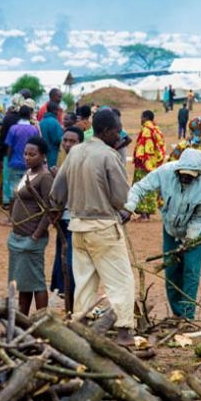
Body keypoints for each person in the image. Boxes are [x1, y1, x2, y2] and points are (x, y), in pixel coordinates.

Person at [50, 109, 135, 344]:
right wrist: (125, 210)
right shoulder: (109, 156)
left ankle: (82, 326)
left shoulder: (75, 152)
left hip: (77, 227)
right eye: (117, 131)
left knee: (85, 280)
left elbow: (57, 193)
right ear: (106, 131)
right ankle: (124, 331)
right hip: (103, 227)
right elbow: (121, 198)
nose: (119, 136)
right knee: (120, 281)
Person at [126, 148, 201, 319]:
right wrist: (129, 207)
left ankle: (188, 315)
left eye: (191, 176)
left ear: (199, 174)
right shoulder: (165, 172)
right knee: (171, 269)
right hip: (171, 229)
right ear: (178, 169)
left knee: (190, 270)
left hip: (196, 229)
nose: (186, 178)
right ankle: (177, 313)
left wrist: (190, 238)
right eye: (183, 174)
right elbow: (140, 188)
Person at [8, 137, 54, 314]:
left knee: (36, 282)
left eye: (32, 154)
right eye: (26, 153)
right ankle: (23, 320)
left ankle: (42, 320)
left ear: (43, 156)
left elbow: (49, 209)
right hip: (19, 238)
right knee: (23, 282)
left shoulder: (45, 177)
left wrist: (36, 236)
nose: (27, 157)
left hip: (31, 238)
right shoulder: (28, 172)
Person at [50, 126, 83, 305]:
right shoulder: (65, 160)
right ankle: (63, 290)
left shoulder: (82, 162)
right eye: (65, 140)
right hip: (62, 217)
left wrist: (58, 179)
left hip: (75, 217)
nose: (68, 144)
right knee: (61, 254)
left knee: (70, 256)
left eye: (72, 141)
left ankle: (71, 292)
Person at [132, 110, 166, 221]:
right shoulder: (156, 129)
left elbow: (144, 146)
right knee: (150, 187)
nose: (140, 120)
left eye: (141, 117)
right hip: (153, 164)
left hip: (145, 164)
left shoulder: (146, 129)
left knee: (142, 187)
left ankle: (144, 215)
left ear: (145, 118)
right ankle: (147, 214)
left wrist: (140, 160)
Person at [4, 105, 40, 207]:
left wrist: (8, 160)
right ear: (30, 115)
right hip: (29, 164)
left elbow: (9, 147)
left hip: (14, 162)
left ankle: (11, 217)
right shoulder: (34, 129)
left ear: (19, 115)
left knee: (13, 189)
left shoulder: (13, 129)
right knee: (28, 189)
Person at [39, 101, 64, 169]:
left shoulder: (41, 121)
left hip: (43, 154)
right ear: (55, 110)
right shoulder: (55, 122)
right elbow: (59, 139)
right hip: (53, 155)